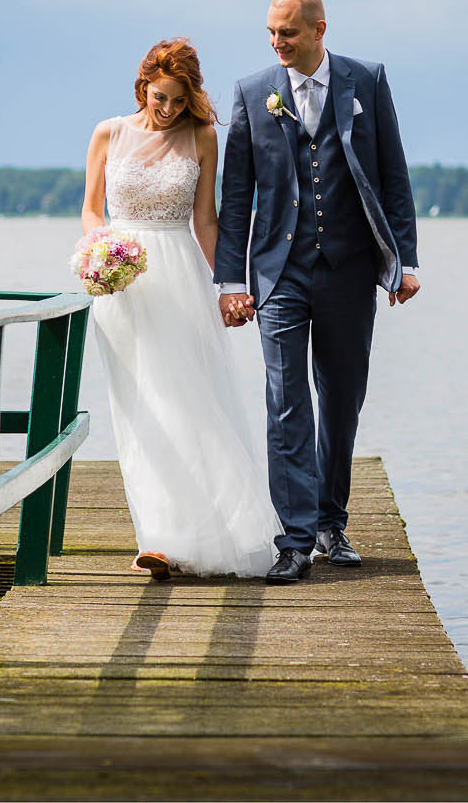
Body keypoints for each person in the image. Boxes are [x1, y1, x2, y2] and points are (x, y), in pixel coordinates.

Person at [215, 0, 421, 585]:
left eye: (289, 33)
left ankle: (332, 521)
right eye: (272, 34)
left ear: (319, 30)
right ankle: (296, 538)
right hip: (278, 271)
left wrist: (405, 262)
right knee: (286, 401)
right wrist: (231, 278)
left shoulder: (367, 81)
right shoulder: (254, 93)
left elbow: (393, 176)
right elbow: (235, 199)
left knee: (341, 398)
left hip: (353, 268)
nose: (278, 44)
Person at [80, 38, 279, 580]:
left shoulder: (202, 136)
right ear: (143, 84)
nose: (166, 110)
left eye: (176, 100)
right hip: (123, 281)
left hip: (179, 275)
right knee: (138, 409)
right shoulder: (108, 132)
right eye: (158, 97)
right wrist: (102, 253)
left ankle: (199, 533)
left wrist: (228, 286)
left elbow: (206, 221)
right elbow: (92, 210)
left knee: (188, 400)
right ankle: (157, 537)